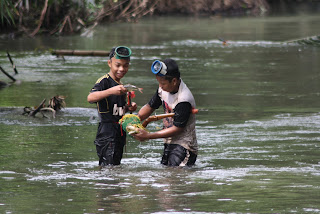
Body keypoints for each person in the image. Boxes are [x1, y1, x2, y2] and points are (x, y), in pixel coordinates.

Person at [133, 59, 198, 167]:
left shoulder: (183, 99)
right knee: (166, 175)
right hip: (169, 142)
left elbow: (178, 128)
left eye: (163, 83)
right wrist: (135, 119)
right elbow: (150, 106)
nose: (160, 86)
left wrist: (148, 136)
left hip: (185, 146)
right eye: (159, 83)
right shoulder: (163, 89)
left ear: (174, 81)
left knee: (175, 178)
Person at [87, 46, 137, 166]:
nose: (122, 69)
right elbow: (90, 98)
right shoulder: (104, 81)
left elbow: (116, 108)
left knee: (115, 166)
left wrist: (128, 107)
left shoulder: (120, 85)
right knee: (108, 168)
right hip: (107, 132)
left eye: (126, 65)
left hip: (119, 132)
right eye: (118, 65)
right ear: (109, 63)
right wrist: (110, 91)